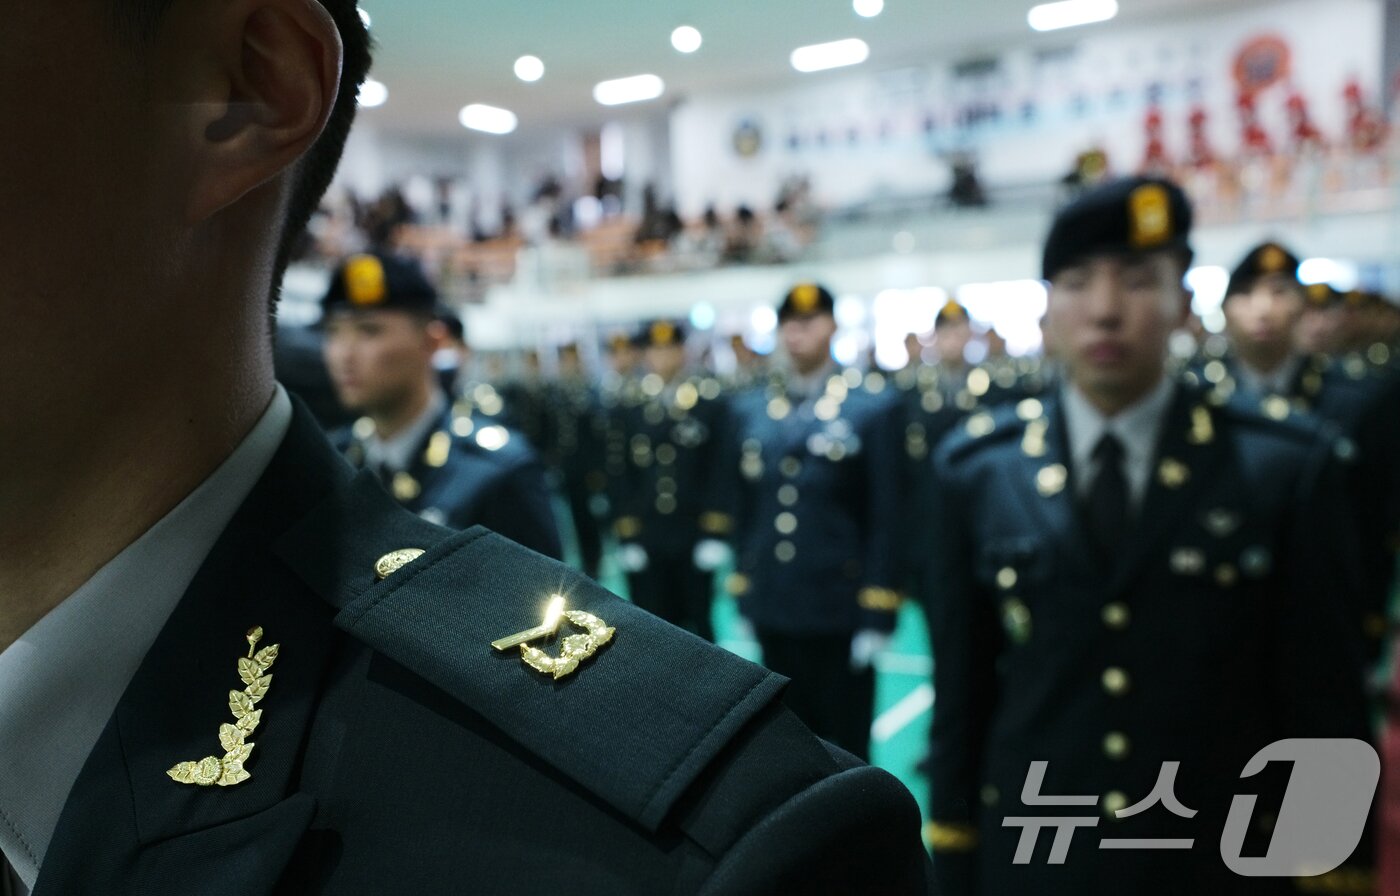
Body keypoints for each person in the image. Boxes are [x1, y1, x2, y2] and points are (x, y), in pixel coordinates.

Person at [0, 4, 934, 893]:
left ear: (248, 88)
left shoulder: (702, 852)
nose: (351, 353)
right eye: (343, 333)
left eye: (380, 331)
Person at [922, 178, 1372, 895]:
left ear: (1184, 306)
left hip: (1217, 859)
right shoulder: (978, 472)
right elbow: (962, 697)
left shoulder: (1282, 467)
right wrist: (955, 858)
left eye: (1138, 281)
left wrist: (1324, 870)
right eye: (1075, 283)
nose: (1105, 310)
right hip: (1040, 852)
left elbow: (1322, 700)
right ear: (1046, 311)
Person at [716, 284, 904, 761]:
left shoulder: (872, 407)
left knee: (848, 748)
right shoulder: (751, 409)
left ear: (833, 326)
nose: (798, 332)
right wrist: (743, 584)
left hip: (839, 605)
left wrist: (879, 609)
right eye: (789, 324)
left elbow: (888, 514)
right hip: (776, 600)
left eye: (811, 321)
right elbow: (746, 508)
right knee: (790, 744)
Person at [321, 251, 561, 559]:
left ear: (432, 342)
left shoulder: (497, 471)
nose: (344, 354)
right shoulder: (333, 462)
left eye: (369, 331)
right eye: (333, 332)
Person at [606, 321, 730, 640]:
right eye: (655, 349)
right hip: (647, 530)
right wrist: (627, 534)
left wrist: (715, 530)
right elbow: (619, 473)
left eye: (670, 348)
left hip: (693, 530)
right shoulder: (629, 406)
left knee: (700, 621)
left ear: (683, 352)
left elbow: (719, 469)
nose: (662, 356)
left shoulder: (708, 404)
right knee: (652, 624)